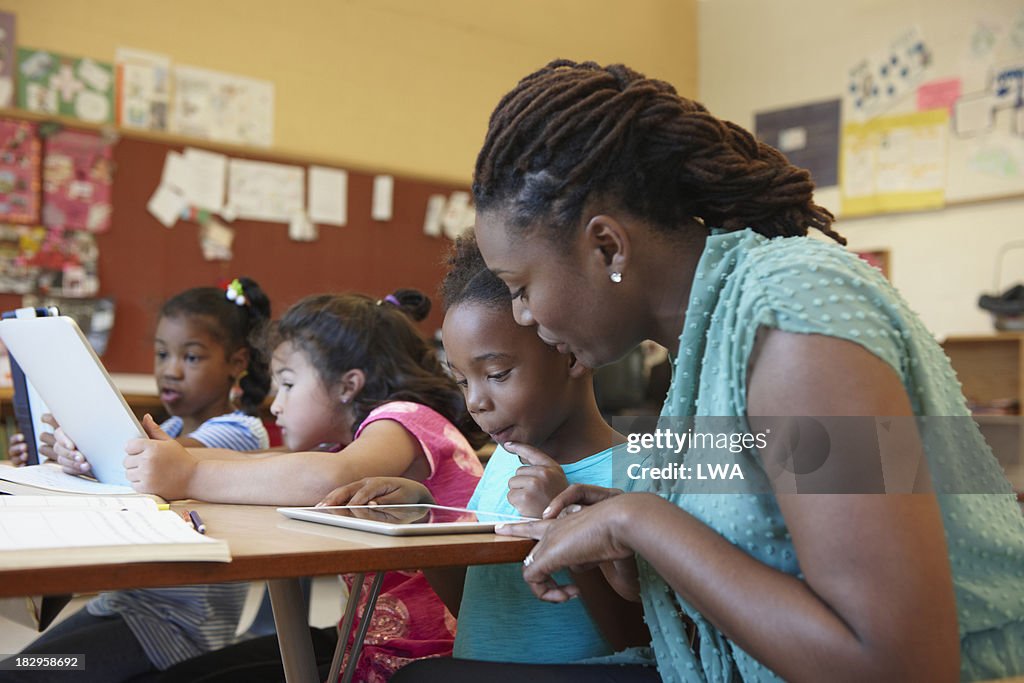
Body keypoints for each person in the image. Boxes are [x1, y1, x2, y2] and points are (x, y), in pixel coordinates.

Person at [450, 59, 1022, 682]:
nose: (523, 315)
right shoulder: (705, 345)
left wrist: (637, 519)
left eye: (521, 286)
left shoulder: (791, 316)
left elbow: (898, 664)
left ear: (608, 247)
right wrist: (622, 521)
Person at [119, 289, 486, 682]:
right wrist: (176, 459)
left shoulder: (404, 419)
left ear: (348, 386)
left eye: (289, 385)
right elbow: (267, 465)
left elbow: (330, 476)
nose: (276, 405)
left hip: (426, 658)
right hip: (367, 642)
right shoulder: (346, 445)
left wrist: (189, 475)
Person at [323, 234, 650, 676]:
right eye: (462, 381)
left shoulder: (637, 473)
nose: (475, 401)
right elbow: (475, 607)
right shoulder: (505, 462)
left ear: (571, 354)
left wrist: (565, 524)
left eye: (496, 374)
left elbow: (641, 642)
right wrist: (420, 524)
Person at [3, 277, 273, 682]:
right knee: (18, 667)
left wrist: (80, 438)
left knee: (22, 674)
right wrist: (61, 459)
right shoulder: (174, 425)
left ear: (237, 362)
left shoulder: (241, 431)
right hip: (123, 609)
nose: (170, 370)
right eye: (162, 354)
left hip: (173, 631)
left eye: (192, 358)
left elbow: (157, 463)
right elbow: (120, 478)